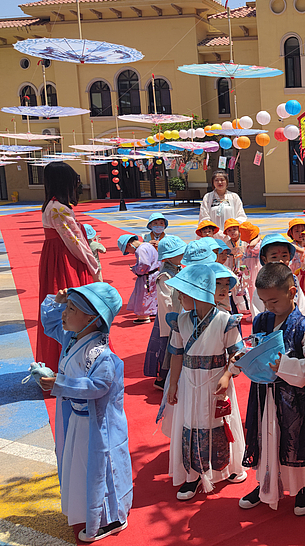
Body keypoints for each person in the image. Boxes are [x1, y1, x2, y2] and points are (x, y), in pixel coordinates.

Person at [38, 282, 132, 542]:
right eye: (66, 307)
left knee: (103, 469)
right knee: (82, 467)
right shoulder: (73, 339)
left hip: (98, 426)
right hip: (79, 421)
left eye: (71, 309)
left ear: (92, 318)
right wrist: (57, 302)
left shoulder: (102, 355)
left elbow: (98, 386)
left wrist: (59, 383)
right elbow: (50, 323)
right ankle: (90, 510)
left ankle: (113, 518)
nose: (64, 313)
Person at [160, 264, 247, 500]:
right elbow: (176, 354)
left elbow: (237, 354)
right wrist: (173, 384)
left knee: (219, 422)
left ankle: (226, 467)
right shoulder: (180, 321)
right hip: (189, 382)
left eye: (183, 292)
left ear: (198, 292)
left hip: (216, 380)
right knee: (191, 422)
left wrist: (227, 375)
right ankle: (194, 474)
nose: (180, 297)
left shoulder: (225, 320)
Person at [238, 263, 305, 514]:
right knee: (265, 437)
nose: (268, 307)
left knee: (294, 440)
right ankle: (265, 483)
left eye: (273, 301)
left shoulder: (303, 326)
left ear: (292, 292)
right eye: (264, 301)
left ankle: (301, 487)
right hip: (263, 394)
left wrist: (284, 366)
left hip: (292, 396)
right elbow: (253, 347)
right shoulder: (261, 320)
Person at [37, 161, 100, 371]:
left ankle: (57, 359)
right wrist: (94, 266)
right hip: (66, 260)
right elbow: (76, 242)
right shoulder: (59, 208)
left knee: (60, 306)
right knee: (74, 306)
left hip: (55, 259)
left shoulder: (50, 205)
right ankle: (75, 360)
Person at [144, 235, 186, 390]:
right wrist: (176, 316)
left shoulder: (179, 270)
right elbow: (166, 301)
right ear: (168, 257)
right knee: (167, 347)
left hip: (179, 313)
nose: (182, 256)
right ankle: (162, 378)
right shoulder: (164, 276)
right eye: (179, 253)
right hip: (170, 318)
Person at [256, 234, 305, 319]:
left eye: (284, 256)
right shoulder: (263, 282)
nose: (280, 261)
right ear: (265, 259)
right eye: (274, 257)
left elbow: (301, 303)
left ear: (289, 255)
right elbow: (257, 310)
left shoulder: (292, 278)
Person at [118, 234, 159, 324]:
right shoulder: (147, 245)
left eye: (127, 251)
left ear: (129, 245)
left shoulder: (140, 250)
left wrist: (135, 269)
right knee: (153, 294)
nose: (130, 253)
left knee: (143, 295)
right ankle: (153, 311)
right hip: (155, 273)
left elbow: (144, 265)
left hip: (146, 276)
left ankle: (143, 316)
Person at [199, 170, 247, 235]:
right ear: (213, 182)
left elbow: (241, 215)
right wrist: (216, 231)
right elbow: (204, 217)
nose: (219, 182)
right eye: (216, 180)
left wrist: (232, 229)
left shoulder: (234, 197)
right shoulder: (208, 197)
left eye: (222, 180)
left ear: (226, 182)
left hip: (231, 235)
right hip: (213, 235)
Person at [240, 221, 262, 313]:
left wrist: (257, 237)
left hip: (256, 270)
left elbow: (253, 246)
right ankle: (253, 312)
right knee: (250, 291)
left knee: (256, 291)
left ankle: (258, 312)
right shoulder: (249, 245)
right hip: (249, 272)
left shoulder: (257, 244)